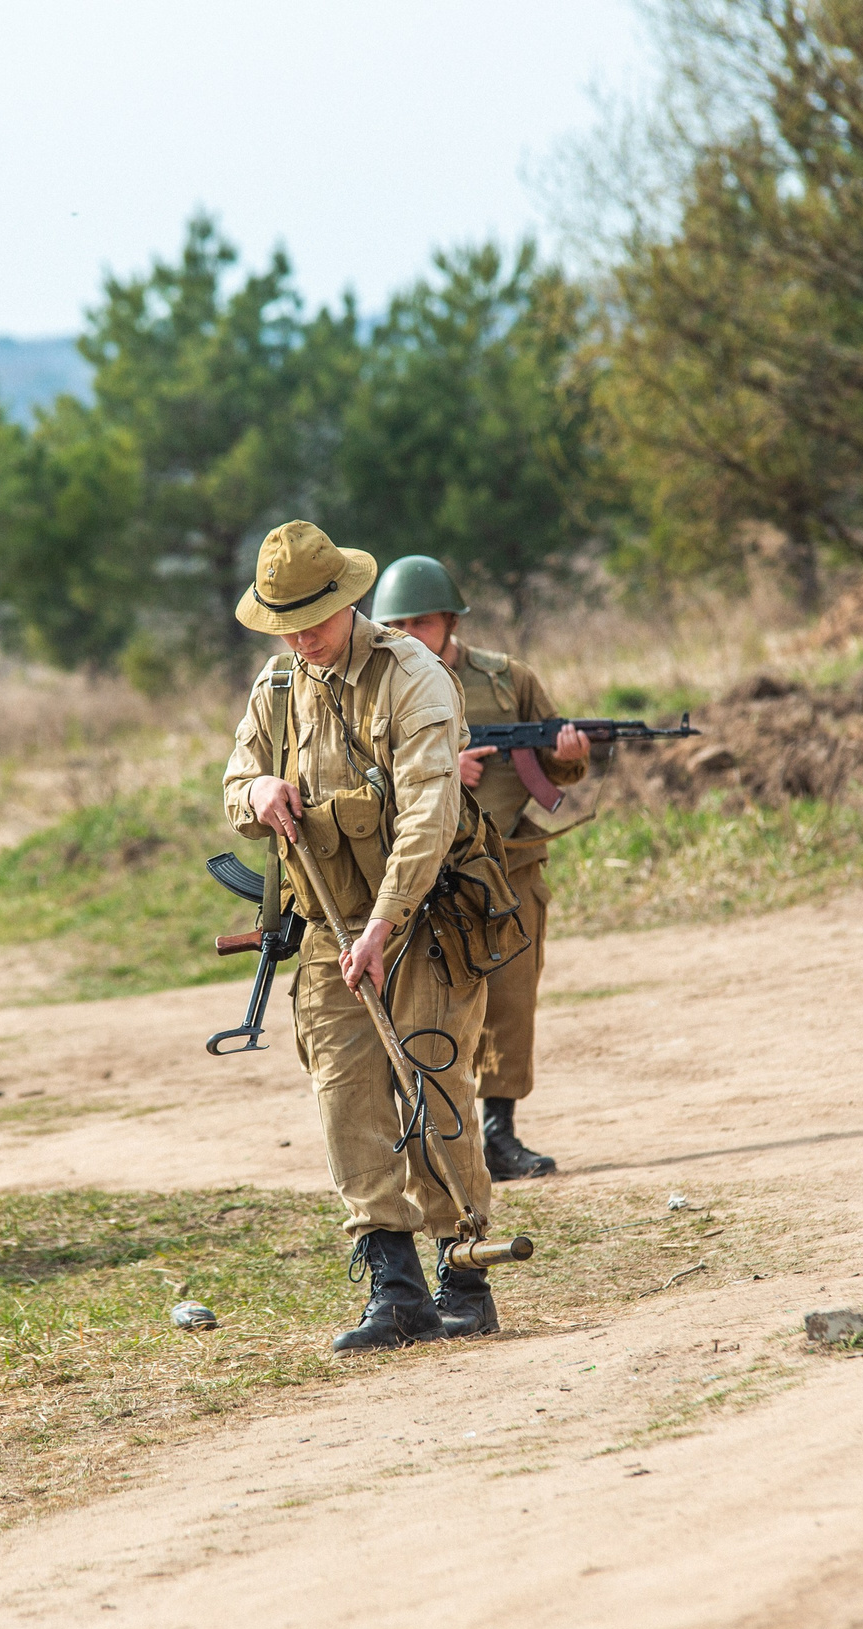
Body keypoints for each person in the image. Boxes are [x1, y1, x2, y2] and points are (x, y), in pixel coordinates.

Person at [222, 521, 512, 1346]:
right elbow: (235, 783)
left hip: (423, 917)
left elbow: (429, 811)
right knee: (345, 1096)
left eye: (312, 616)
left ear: (348, 600)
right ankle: (395, 1284)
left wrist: (383, 925)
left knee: (434, 1080)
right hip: (326, 928)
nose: (299, 635)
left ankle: (465, 1268)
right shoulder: (277, 689)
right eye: (283, 620)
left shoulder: (412, 677)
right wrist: (261, 793)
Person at [368, 556, 586, 1181]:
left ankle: (499, 1133)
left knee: (511, 1003)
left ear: (451, 621)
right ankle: (429, 1139)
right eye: (399, 623)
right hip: (416, 876)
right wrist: (435, 775)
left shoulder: (506, 679)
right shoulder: (375, 688)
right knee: (424, 1009)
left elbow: (553, 762)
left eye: (424, 620)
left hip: (506, 870)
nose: (412, 633)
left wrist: (570, 757)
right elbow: (352, 774)